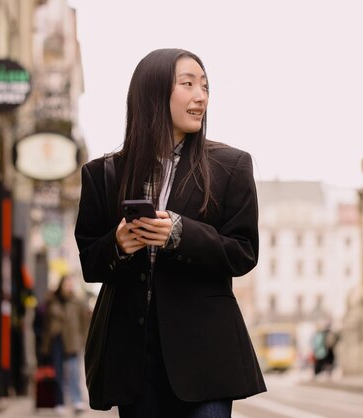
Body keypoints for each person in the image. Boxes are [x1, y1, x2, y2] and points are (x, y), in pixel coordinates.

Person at [74, 48, 266, 417]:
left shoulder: (231, 166)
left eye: (205, 86)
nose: (201, 96)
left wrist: (179, 233)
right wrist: (117, 245)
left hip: (205, 352)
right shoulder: (103, 174)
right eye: (188, 84)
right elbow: (89, 264)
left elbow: (243, 252)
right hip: (132, 355)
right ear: (154, 93)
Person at [40, 275, 90, 414]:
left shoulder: (77, 302)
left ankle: (76, 400)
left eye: (70, 284)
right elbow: (46, 323)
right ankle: (59, 402)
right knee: (58, 373)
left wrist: (82, 340)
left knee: (74, 372)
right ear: (61, 285)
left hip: (73, 340)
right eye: (66, 283)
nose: (68, 286)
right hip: (56, 339)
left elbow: (85, 323)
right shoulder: (52, 301)